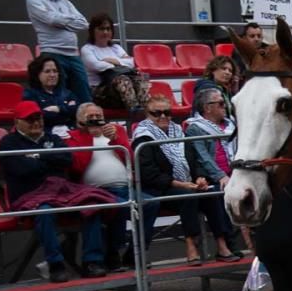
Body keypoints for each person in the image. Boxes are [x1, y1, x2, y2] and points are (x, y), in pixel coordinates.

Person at [0, 101, 114, 283]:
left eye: (38, 118)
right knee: (45, 211)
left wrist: (37, 156)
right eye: (30, 119)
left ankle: (92, 261)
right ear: (17, 122)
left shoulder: (53, 138)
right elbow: (22, 169)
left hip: (61, 190)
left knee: (92, 205)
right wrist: (49, 158)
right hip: (29, 194)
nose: (36, 122)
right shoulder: (8, 142)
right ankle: (56, 264)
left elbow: (66, 159)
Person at [131, 95, 239, 264]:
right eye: (156, 113)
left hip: (186, 183)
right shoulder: (143, 136)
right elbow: (149, 174)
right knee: (187, 196)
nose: (163, 117)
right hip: (159, 188)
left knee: (212, 193)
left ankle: (222, 243)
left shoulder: (178, 131)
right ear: (147, 114)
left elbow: (193, 161)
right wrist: (180, 183)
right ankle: (191, 245)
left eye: (167, 112)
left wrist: (199, 179)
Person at [66, 103, 159, 271]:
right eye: (90, 117)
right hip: (94, 190)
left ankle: (134, 254)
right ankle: (113, 252)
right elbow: (76, 167)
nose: (95, 120)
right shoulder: (73, 137)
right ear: (80, 120)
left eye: (98, 116)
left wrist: (116, 139)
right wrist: (88, 135)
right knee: (120, 206)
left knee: (151, 203)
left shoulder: (116, 130)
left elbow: (131, 159)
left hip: (125, 187)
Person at [184, 87, 250, 253]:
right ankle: (230, 243)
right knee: (220, 193)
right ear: (207, 108)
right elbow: (203, 158)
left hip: (235, 171)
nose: (225, 106)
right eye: (221, 103)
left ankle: (256, 240)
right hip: (210, 176)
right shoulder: (195, 128)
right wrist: (221, 176)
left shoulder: (231, 125)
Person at [25, 0, 92, 104]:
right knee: (59, 96)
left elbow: (83, 23)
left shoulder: (65, 2)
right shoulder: (33, 0)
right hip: (52, 54)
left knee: (84, 94)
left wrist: (60, 21)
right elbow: (50, 19)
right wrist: (69, 21)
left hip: (73, 55)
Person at [80, 13, 150, 111]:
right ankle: (135, 110)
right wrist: (120, 63)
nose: (105, 32)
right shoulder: (87, 49)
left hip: (120, 92)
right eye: (101, 29)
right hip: (100, 93)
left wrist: (114, 61)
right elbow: (97, 66)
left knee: (141, 78)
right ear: (92, 31)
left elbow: (131, 62)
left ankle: (147, 110)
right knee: (122, 79)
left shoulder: (116, 48)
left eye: (108, 29)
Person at [22, 55, 79, 139]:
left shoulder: (67, 93)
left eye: (55, 71)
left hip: (71, 134)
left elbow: (77, 111)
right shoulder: (29, 94)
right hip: (45, 137)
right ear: (37, 74)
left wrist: (58, 109)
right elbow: (38, 117)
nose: (52, 75)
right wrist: (67, 111)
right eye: (47, 71)